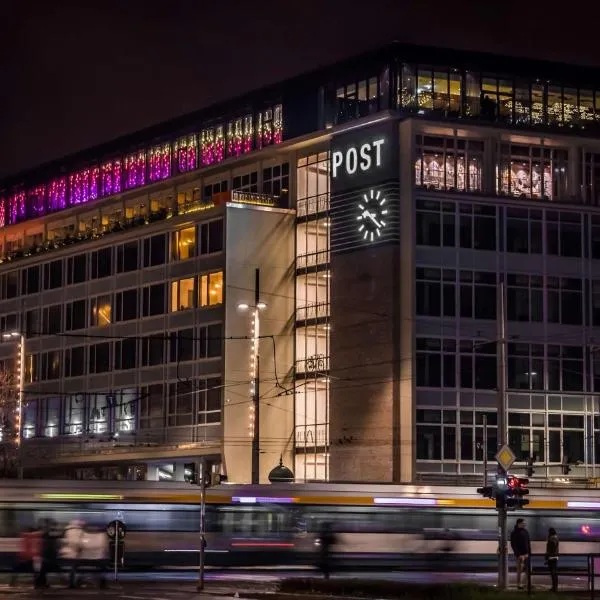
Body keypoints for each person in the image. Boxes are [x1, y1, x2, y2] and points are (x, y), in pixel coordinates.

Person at [510, 518, 531, 589]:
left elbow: (528, 543)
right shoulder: (514, 533)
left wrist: (529, 553)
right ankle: (519, 584)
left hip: (526, 554)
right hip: (520, 555)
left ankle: (527, 583)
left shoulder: (526, 531)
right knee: (520, 570)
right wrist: (518, 555)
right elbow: (513, 545)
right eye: (523, 523)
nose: (525, 524)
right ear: (519, 523)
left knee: (529, 570)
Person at [545, 527, 559, 592]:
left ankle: (554, 587)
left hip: (551, 557)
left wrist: (547, 557)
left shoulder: (552, 538)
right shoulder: (556, 538)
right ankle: (555, 586)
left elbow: (550, 549)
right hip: (555, 557)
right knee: (554, 572)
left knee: (553, 572)